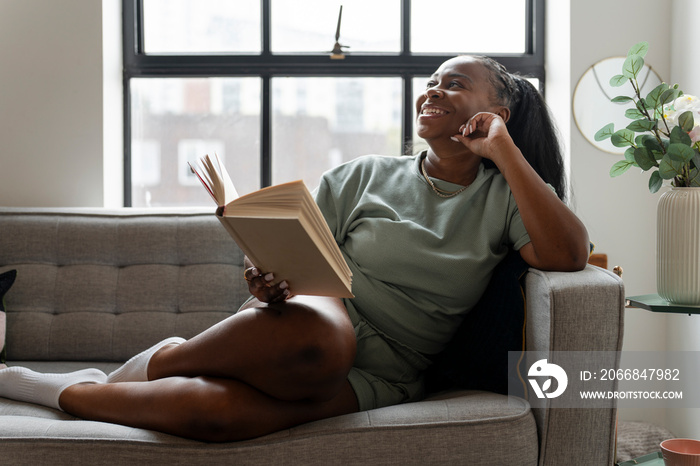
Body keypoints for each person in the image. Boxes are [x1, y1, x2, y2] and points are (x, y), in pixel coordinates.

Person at [0, 55, 589, 442]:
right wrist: (264, 279)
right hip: (324, 311)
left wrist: (505, 152)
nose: (433, 91)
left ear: (498, 113)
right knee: (323, 341)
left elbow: (568, 254)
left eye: (454, 84)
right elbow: (297, 260)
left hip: (392, 366)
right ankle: (157, 362)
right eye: (431, 81)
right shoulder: (366, 174)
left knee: (217, 417)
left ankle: (60, 388)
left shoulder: (507, 195)